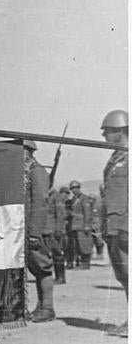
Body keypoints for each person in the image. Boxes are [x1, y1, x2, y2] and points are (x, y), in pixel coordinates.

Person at [100, 109, 128, 338]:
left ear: (121, 131)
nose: (103, 136)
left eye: (108, 131)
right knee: (124, 276)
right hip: (114, 227)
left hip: (125, 227)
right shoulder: (116, 158)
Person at [24, 140, 56, 323]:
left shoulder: (37, 172)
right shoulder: (26, 172)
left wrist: (34, 233)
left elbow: (40, 204)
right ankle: (41, 307)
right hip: (27, 229)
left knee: (42, 268)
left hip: (35, 231)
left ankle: (48, 308)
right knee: (35, 269)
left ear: (28, 152)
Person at [68, 180, 93, 269]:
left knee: (85, 244)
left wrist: (87, 225)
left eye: (75, 188)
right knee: (78, 245)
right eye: (72, 189)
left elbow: (87, 212)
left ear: (79, 188)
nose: (73, 190)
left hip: (82, 225)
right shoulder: (74, 199)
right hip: (75, 226)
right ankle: (82, 263)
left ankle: (86, 263)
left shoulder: (84, 198)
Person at [48, 188, 67, 284]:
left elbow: (60, 214)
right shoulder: (45, 194)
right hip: (47, 229)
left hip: (54, 230)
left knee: (57, 253)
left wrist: (59, 230)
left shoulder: (56, 196)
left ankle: (60, 277)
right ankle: (56, 276)